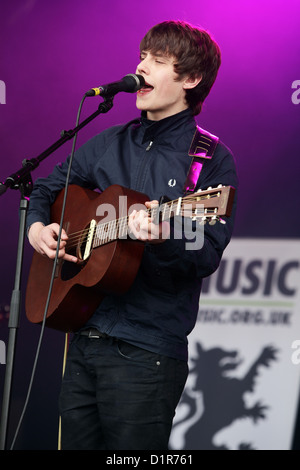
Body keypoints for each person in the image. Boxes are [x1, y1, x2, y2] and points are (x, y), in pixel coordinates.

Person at [26, 20, 238, 450]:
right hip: (82, 338)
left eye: (157, 61)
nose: (141, 68)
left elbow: (206, 252)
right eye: (142, 56)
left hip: (146, 350)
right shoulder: (109, 141)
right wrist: (36, 227)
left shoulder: (209, 161)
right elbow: (48, 187)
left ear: (191, 80)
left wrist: (163, 238)